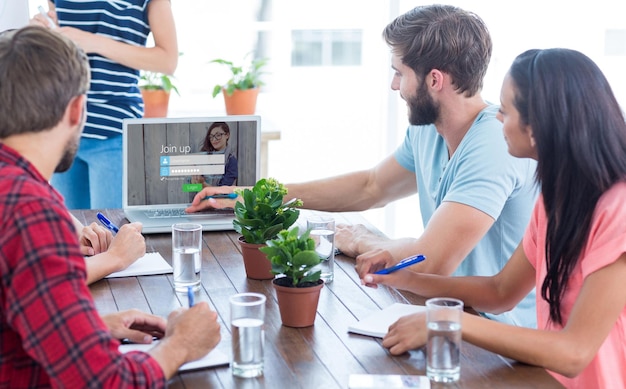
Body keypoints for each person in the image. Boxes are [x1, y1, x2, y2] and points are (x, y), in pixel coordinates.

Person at [187, 5, 538, 327]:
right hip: (445, 313)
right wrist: (261, 194)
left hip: (497, 338)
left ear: (434, 80)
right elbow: (372, 186)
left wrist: (363, 239)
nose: (394, 85)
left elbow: (431, 262)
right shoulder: (428, 130)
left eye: (399, 73)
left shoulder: (495, 142)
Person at [363, 48, 626, 388]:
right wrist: (404, 278)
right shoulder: (556, 200)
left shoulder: (618, 209)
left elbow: (574, 352)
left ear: (537, 127)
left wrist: (447, 320)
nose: (497, 118)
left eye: (505, 109)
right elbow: (500, 291)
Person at [0, 26, 220, 386]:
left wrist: (89, 328)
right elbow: (104, 382)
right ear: (76, 110)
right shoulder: (30, 211)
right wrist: (180, 344)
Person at [31, 0, 178, 210]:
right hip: (63, 131)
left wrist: (94, 42)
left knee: (110, 235)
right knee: (71, 238)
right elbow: (57, 56)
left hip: (115, 136)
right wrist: (41, 37)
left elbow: (167, 60)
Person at [192, 122, 238, 186]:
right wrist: (194, 180)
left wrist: (203, 184)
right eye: (211, 136)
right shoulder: (205, 156)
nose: (214, 139)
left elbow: (223, 190)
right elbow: (192, 187)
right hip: (201, 195)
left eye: (218, 135)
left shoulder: (231, 160)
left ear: (227, 135)